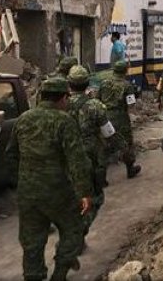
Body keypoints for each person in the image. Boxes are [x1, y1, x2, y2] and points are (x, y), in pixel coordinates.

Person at [6, 77, 93, 281]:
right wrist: (85, 193)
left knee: (32, 241)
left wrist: (20, 183)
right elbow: (77, 161)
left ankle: (33, 276)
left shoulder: (23, 119)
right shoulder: (64, 121)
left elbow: (10, 155)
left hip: (28, 192)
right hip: (57, 190)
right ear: (63, 98)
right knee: (73, 229)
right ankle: (60, 273)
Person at [67, 66, 119, 237]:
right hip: (90, 158)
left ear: (69, 84)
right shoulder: (95, 106)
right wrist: (118, 149)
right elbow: (108, 132)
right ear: (87, 83)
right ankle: (80, 230)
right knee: (95, 197)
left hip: (65, 158)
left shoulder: (60, 105)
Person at [98, 60, 141, 179]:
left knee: (105, 145)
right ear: (125, 71)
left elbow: (98, 99)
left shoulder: (104, 83)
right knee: (126, 143)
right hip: (120, 117)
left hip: (105, 116)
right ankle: (130, 169)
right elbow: (131, 104)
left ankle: (101, 176)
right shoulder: (127, 85)